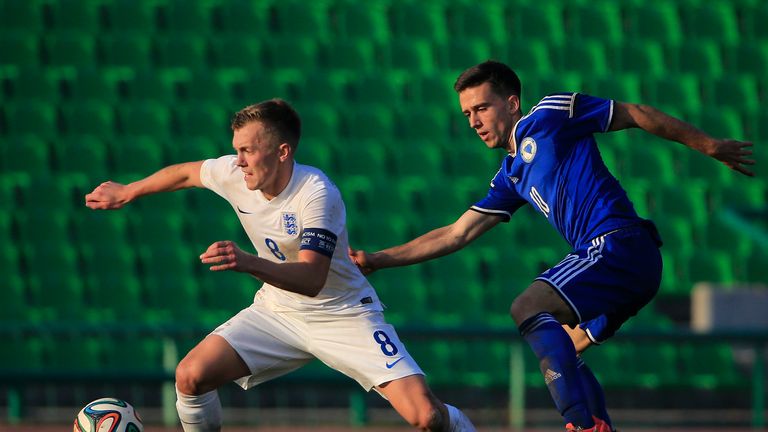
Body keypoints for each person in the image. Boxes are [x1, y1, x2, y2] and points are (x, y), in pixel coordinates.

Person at [349, 61, 755, 432]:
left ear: (512, 103)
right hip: (625, 262)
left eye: (482, 108)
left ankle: (580, 424)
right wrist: (379, 259)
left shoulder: (550, 114)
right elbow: (457, 233)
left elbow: (634, 113)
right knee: (565, 345)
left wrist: (708, 145)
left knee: (527, 307)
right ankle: (598, 426)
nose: (474, 121)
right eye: (467, 114)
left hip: (618, 243)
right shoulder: (510, 175)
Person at [85, 99, 476, 432]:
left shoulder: (316, 194)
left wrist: (248, 262)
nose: (238, 162)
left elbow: (311, 278)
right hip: (278, 312)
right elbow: (188, 172)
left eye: (248, 151)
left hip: (342, 314)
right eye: (236, 150)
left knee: (426, 417)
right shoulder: (235, 172)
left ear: (282, 151)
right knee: (191, 376)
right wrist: (128, 191)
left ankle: (458, 422)